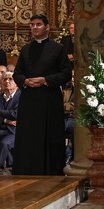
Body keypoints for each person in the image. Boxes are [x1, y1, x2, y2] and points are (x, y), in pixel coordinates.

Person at [12, 14, 72, 175]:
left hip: (49, 98)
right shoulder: (26, 49)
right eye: (32, 25)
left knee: (49, 136)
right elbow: (17, 74)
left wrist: (45, 80)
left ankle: (51, 170)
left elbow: (66, 73)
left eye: (38, 24)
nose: (34, 27)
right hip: (29, 100)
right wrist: (25, 81)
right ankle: (27, 169)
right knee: (29, 136)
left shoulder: (58, 49)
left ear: (47, 27)